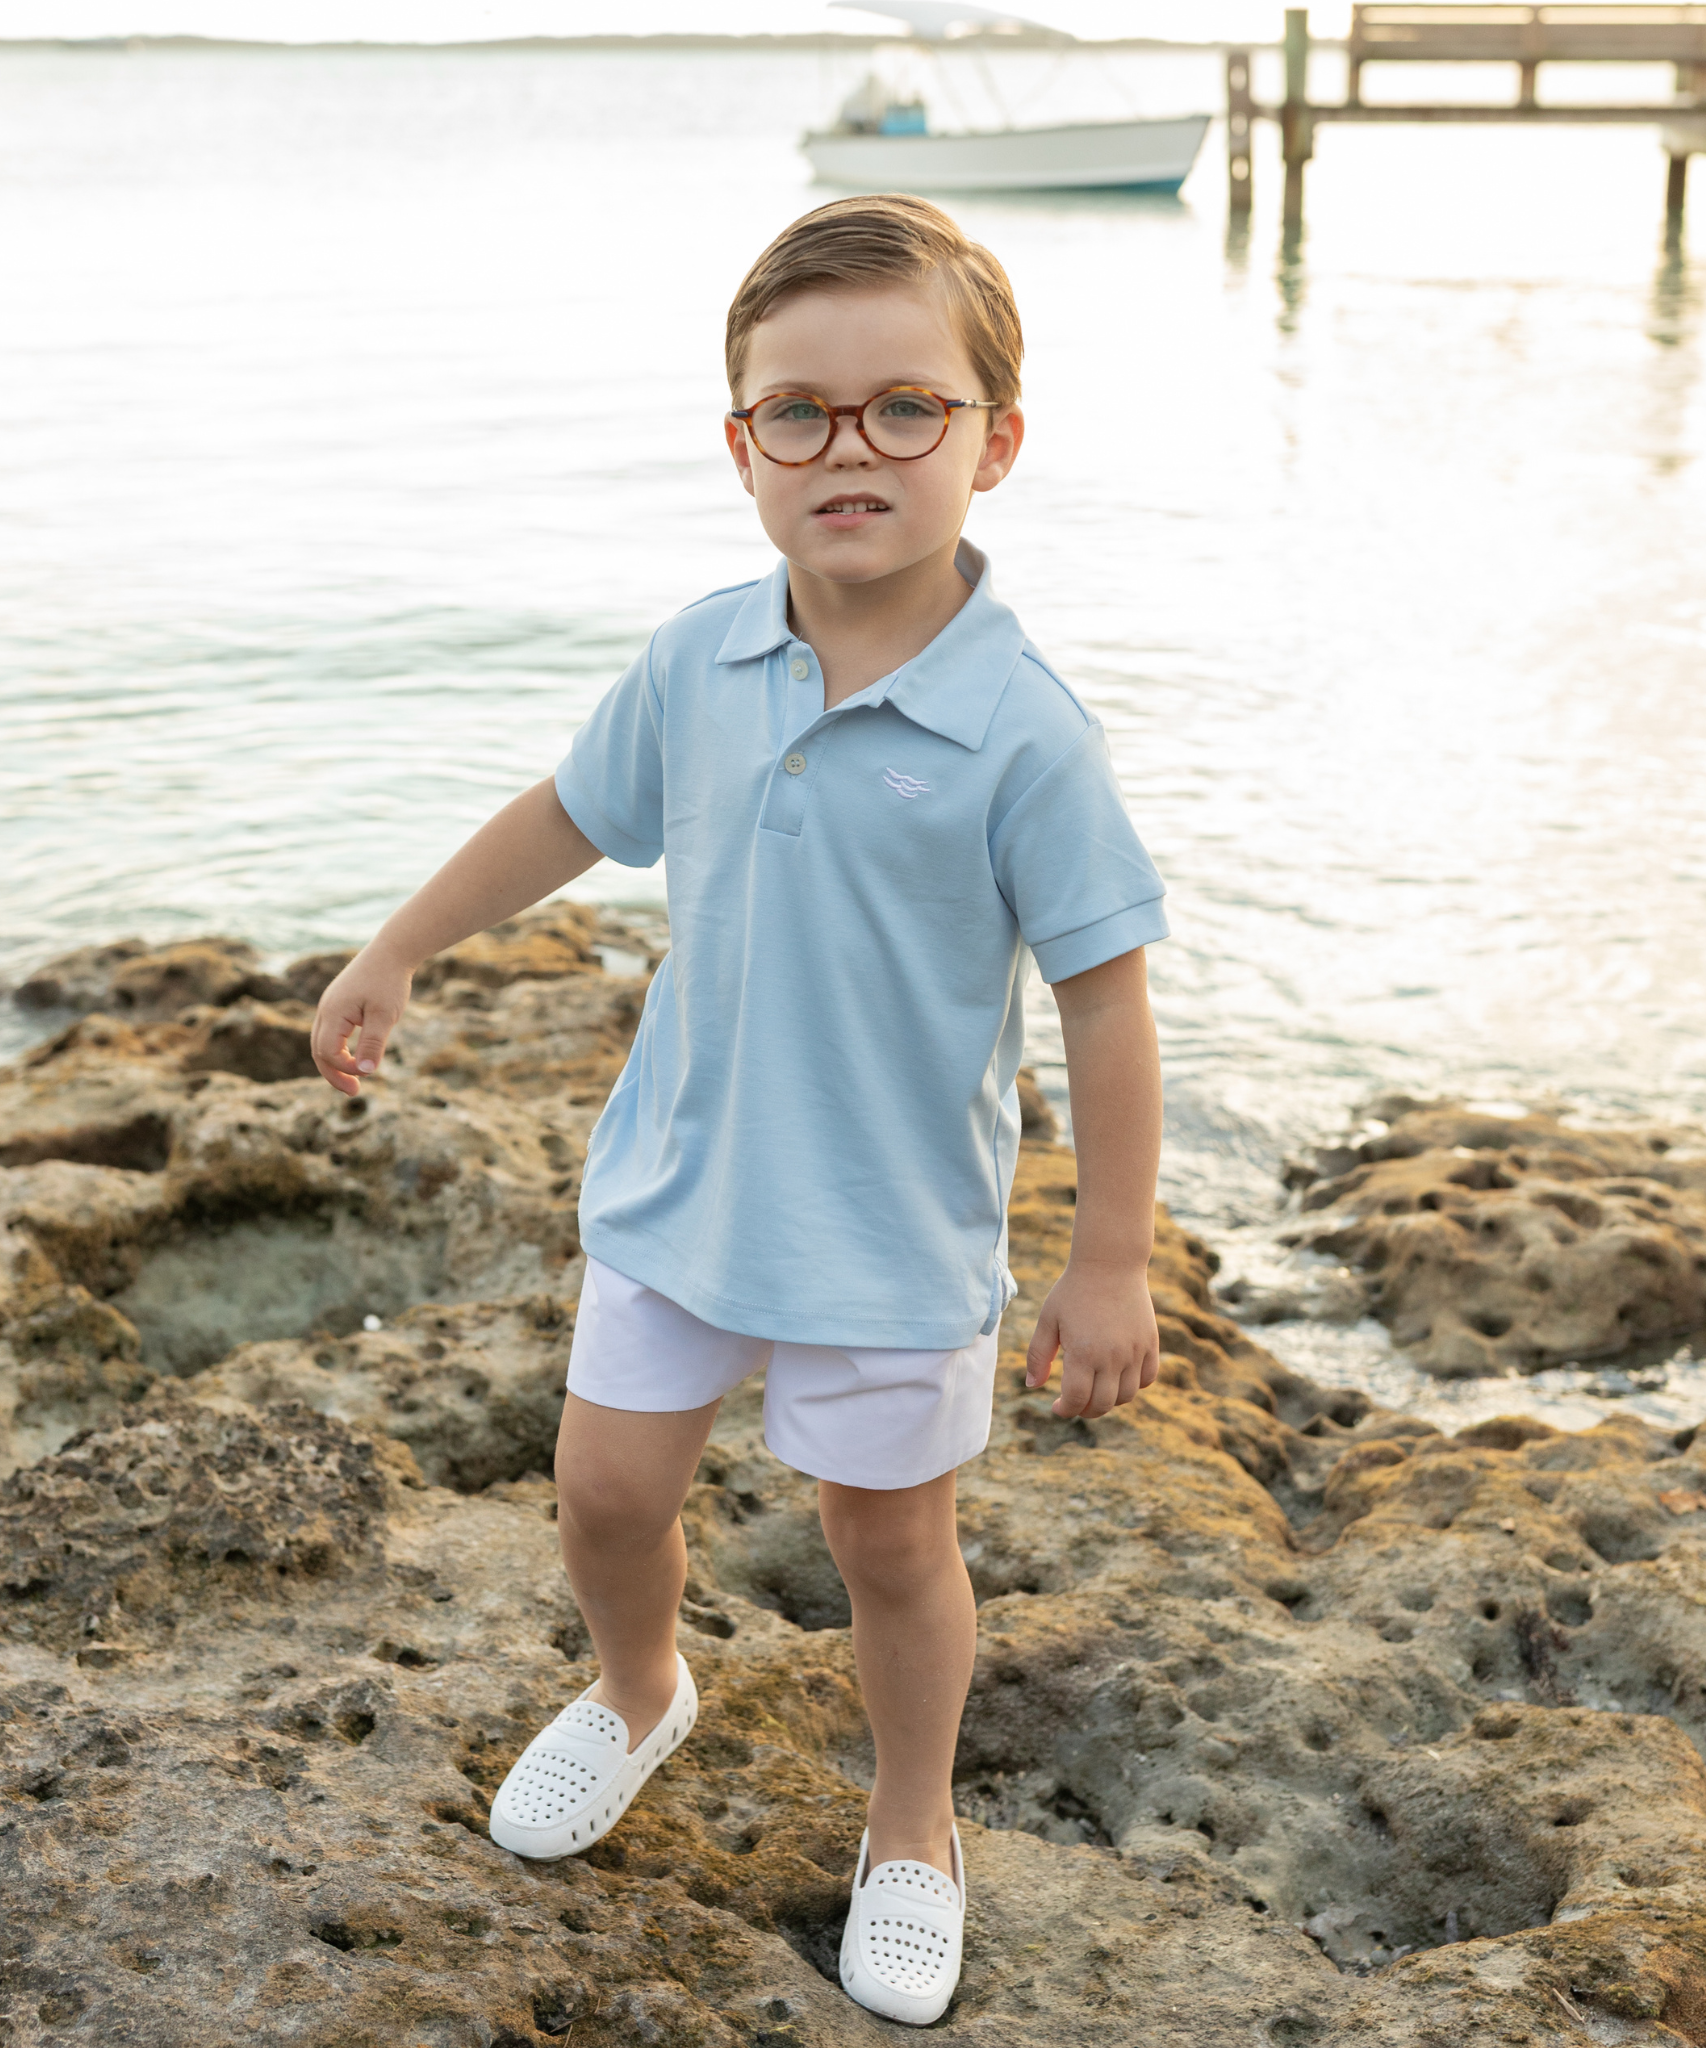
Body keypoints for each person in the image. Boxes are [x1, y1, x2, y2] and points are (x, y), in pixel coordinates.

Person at [310, 192, 1167, 2028]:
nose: (850, 447)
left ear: (995, 441)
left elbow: (1105, 997)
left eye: (906, 406)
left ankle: (915, 1821)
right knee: (605, 1490)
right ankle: (640, 1691)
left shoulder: (1028, 732)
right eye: (800, 411)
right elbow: (567, 815)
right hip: (681, 1183)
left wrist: (1109, 1260)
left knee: (888, 1547)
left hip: (891, 1231)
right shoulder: (697, 658)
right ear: (742, 446)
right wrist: (399, 947)